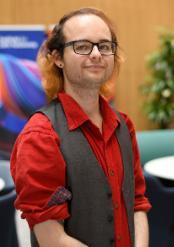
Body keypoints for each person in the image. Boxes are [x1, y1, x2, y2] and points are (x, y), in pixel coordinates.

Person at [10, 7, 151, 247]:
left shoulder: (123, 125)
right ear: (57, 58)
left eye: (104, 46)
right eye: (82, 46)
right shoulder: (41, 135)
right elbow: (51, 238)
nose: (96, 54)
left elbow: (137, 203)